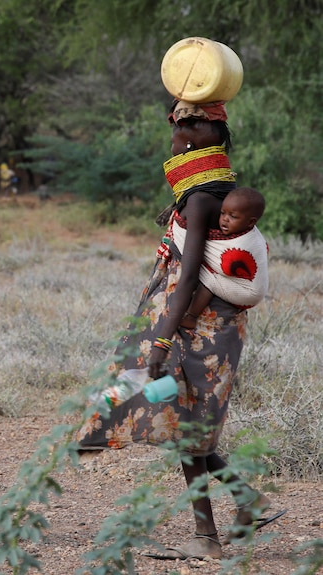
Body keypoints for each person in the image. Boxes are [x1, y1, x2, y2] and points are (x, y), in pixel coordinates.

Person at [77, 99, 284, 560]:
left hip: (196, 329)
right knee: (183, 421)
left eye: (177, 131)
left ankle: (206, 536)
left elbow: (189, 277)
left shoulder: (201, 198)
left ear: (193, 138)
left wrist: (162, 340)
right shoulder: (215, 190)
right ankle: (242, 503)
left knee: (183, 422)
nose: (171, 139)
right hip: (206, 326)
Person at [180, 187, 268, 329]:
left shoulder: (245, 242)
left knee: (209, 280)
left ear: (251, 222)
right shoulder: (242, 231)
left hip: (249, 293)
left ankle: (190, 317)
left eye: (233, 216)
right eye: (222, 213)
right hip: (247, 287)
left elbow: (225, 265)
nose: (225, 219)